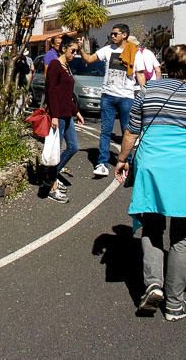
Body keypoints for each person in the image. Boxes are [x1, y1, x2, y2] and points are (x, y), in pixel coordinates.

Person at [115, 45, 186, 321]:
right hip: (182, 165)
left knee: (153, 225)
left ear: (164, 64)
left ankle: (153, 284)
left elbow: (132, 132)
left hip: (152, 164)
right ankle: (175, 305)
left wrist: (121, 160)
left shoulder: (147, 92)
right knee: (182, 236)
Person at [79, 24, 136, 177]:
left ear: (124, 35)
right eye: (112, 33)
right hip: (108, 96)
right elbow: (89, 59)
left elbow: (142, 72)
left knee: (127, 130)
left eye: (115, 34)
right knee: (105, 131)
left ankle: (128, 162)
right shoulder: (107, 50)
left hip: (126, 96)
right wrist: (80, 49)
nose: (112, 36)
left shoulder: (134, 51)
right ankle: (102, 163)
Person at [44, 35, 84, 203]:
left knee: (73, 147)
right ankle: (51, 187)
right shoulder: (54, 65)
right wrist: (54, 115)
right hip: (58, 116)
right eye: (72, 51)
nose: (74, 54)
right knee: (55, 152)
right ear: (64, 49)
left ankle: (50, 176)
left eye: (75, 51)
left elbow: (67, 94)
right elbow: (51, 91)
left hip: (67, 114)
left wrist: (76, 112)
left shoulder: (66, 66)